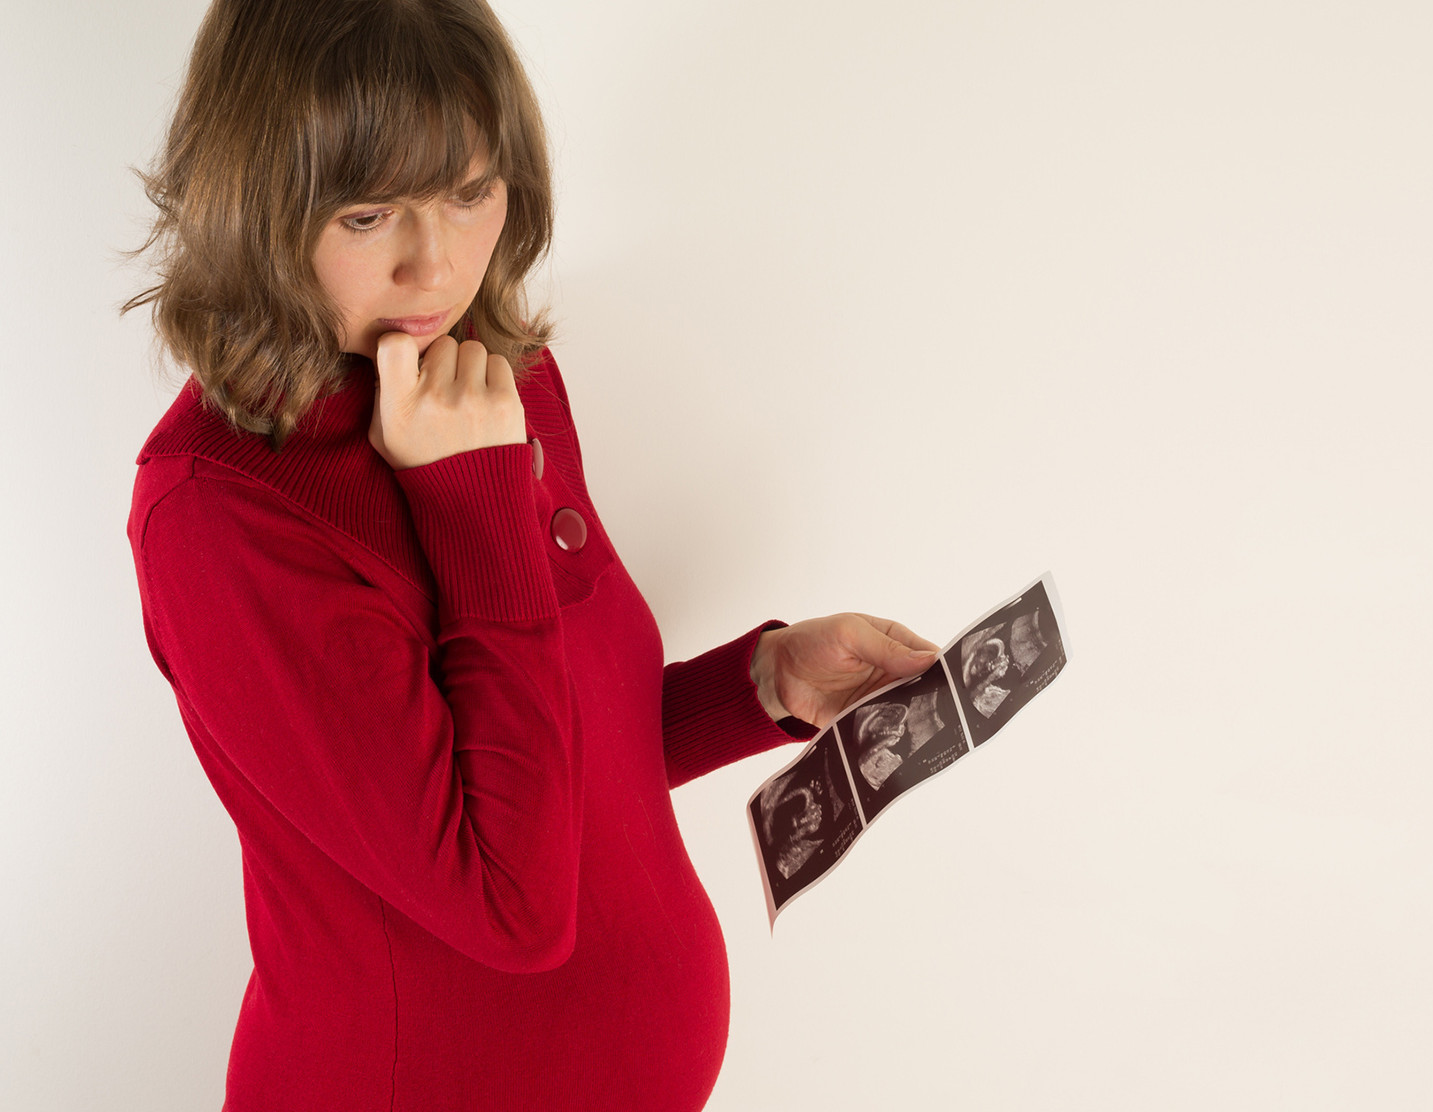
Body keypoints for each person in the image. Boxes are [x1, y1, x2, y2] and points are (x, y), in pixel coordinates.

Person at [122, 2, 936, 1108]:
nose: (437, 265)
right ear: (256, 205)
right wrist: (471, 497)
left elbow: (548, 748)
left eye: (469, 193)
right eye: (368, 215)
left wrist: (762, 684)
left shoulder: (485, 380)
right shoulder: (221, 512)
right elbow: (510, 899)